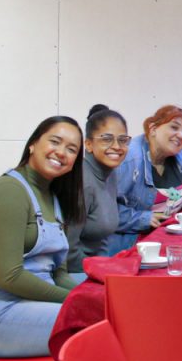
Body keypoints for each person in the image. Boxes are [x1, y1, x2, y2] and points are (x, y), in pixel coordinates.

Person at [0, 116, 85, 357]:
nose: (61, 152)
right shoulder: (9, 190)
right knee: (97, 321)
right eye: (55, 141)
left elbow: (59, 273)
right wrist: (78, 300)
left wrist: (83, 296)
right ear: (32, 144)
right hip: (0, 311)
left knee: (113, 298)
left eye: (71, 149)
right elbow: (10, 277)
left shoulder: (53, 196)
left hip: (34, 302)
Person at [106, 105, 182, 255]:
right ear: (153, 128)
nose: (181, 135)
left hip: (168, 240)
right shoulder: (128, 160)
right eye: (174, 127)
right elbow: (103, 211)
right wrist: (144, 219)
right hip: (130, 246)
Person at [66, 105, 129, 273]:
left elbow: (103, 238)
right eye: (106, 139)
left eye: (123, 140)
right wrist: (100, 274)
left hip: (96, 265)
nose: (117, 146)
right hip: (73, 271)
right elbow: (68, 251)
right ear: (88, 144)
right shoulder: (82, 181)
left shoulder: (111, 174)